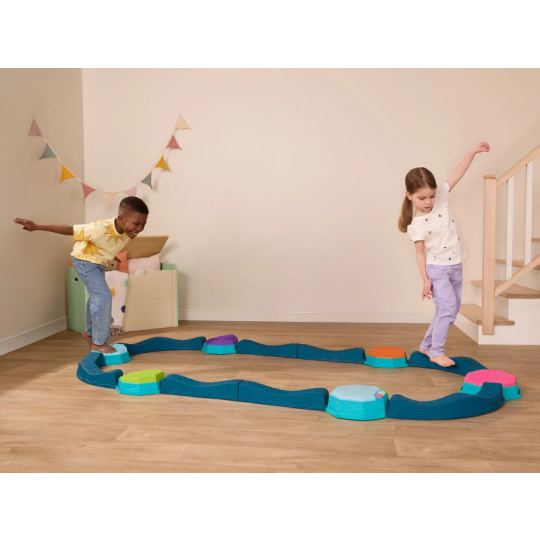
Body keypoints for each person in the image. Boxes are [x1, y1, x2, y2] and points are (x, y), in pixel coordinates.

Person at [14, 196, 149, 354]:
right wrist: (36, 226)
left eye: (143, 224)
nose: (140, 228)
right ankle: (99, 342)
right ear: (121, 218)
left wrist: (113, 256)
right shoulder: (100, 228)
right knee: (103, 296)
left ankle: (90, 334)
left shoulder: (127, 232)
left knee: (95, 298)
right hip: (84, 262)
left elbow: (109, 244)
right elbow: (68, 229)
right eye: (136, 223)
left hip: (99, 264)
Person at [398, 143, 490, 367]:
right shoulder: (416, 225)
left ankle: (426, 345)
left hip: (456, 265)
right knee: (447, 309)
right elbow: (420, 254)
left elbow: (458, 173)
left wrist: (472, 152)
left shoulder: (441, 197)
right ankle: (436, 351)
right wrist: (425, 279)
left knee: (450, 310)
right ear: (409, 195)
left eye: (431, 196)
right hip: (437, 270)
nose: (428, 202)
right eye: (422, 198)